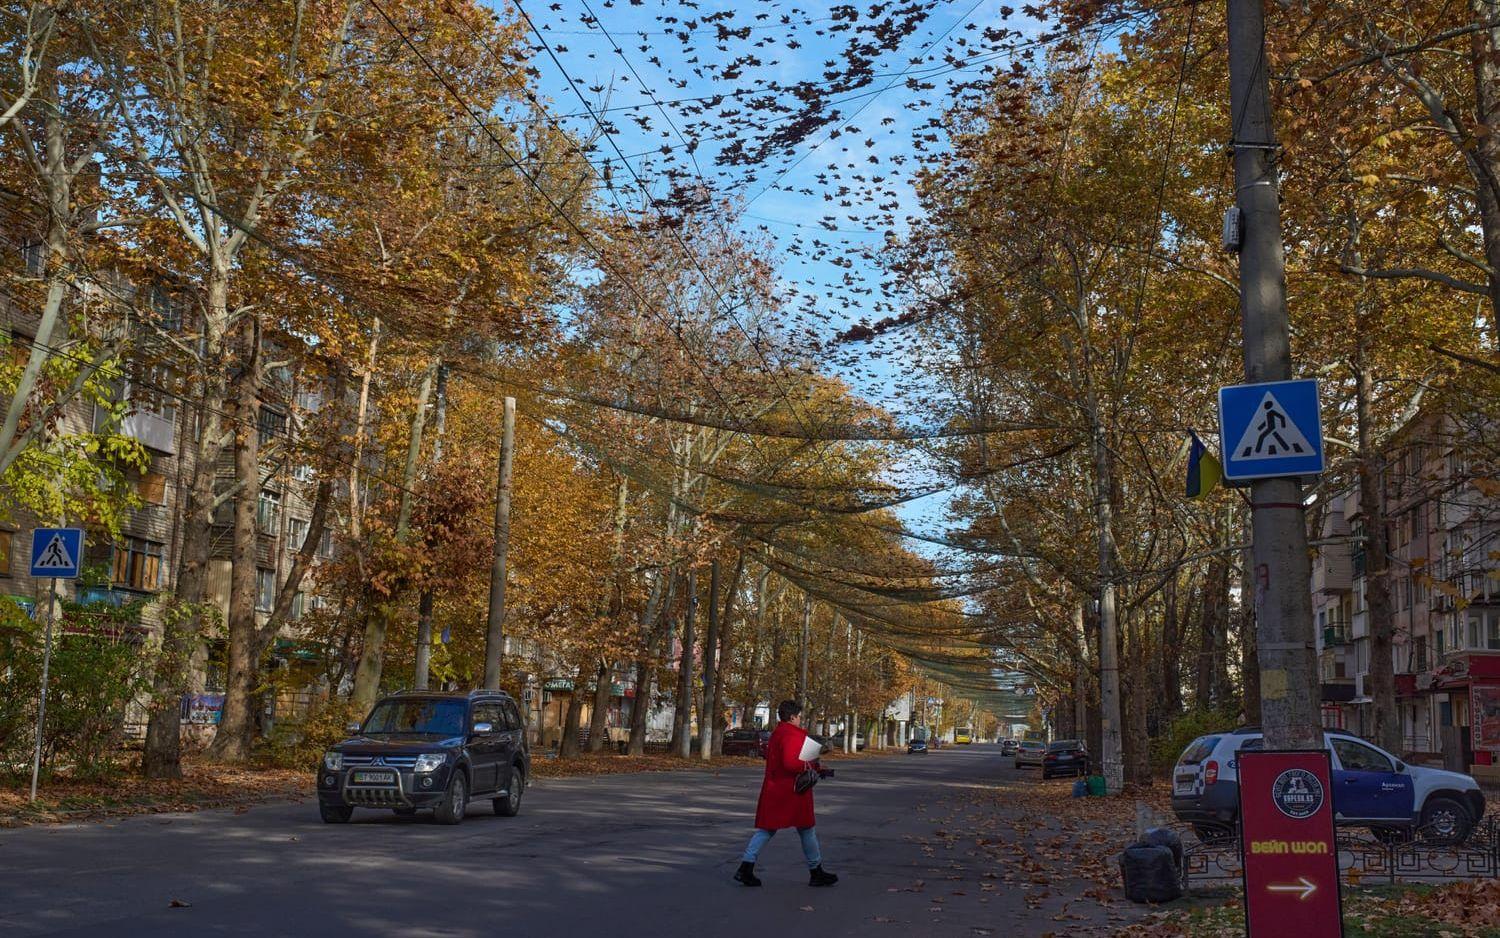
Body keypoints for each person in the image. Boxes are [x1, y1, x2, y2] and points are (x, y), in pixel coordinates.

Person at [734, 700, 838, 888]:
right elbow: (791, 763)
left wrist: (814, 765)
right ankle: (816, 872)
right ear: (792, 717)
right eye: (799, 716)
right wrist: (811, 765)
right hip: (791, 790)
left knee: (768, 829)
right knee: (806, 828)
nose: (801, 720)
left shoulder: (778, 733)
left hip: (778, 788)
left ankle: (746, 867)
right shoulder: (791, 735)